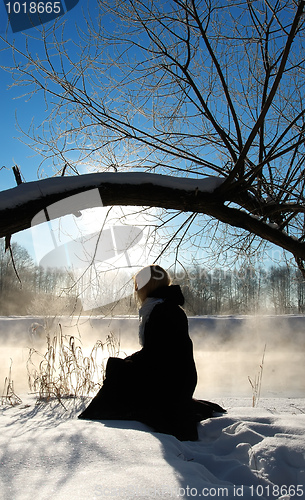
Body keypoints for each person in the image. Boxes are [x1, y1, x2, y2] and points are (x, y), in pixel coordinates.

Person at [78, 265, 225, 440]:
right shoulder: (163, 307)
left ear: (147, 286)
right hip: (175, 376)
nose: (136, 290)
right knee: (120, 368)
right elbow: (158, 351)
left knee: (118, 373)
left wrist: (127, 364)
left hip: (172, 380)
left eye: (138, 285)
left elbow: (160, 355)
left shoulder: (163, 310)